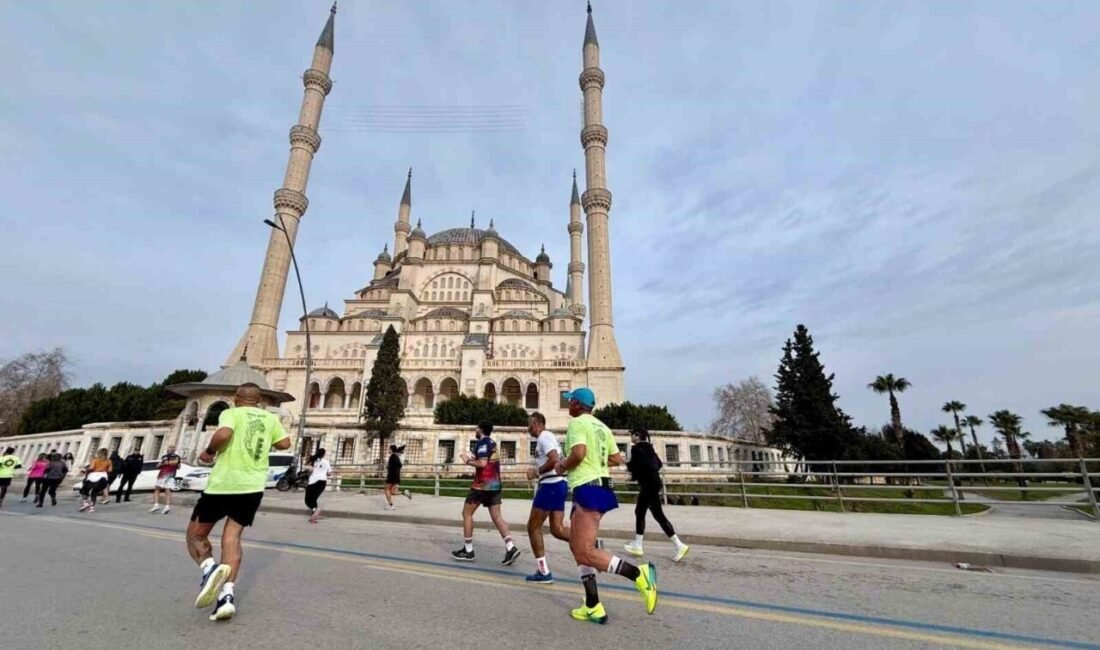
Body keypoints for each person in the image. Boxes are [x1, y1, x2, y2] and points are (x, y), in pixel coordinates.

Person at [186, 383, 291, 622]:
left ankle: (210, 569)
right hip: (252, 487)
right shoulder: (269, 418)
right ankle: (226, 598)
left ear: (236, 398)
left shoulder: (231, 413)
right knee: (232, 538)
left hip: (225, 483)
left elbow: (224, 434)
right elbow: (285, 444)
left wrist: (210, 450)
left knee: (195, 536)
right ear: (259, 400)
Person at [555, 388, 657, 624]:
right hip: (596, 487)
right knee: (576, 546)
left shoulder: (578, 423)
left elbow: (578, 453)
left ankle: (639, 574)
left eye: (570, 401)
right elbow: (615, 458)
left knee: (585, 551)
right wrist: (596, 462)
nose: (568, 404)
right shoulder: (602, 427)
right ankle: (593, 605)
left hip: (588, 488)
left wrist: (562, 465)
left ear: (579, 406)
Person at [451, 421, 521, 566]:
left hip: (481, 486)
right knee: (497, 517)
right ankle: (510, 547)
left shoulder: (482, 443)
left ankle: (468, 550)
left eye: (477, 428)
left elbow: (482, 464)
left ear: (481, 430)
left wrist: (467, 460)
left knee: (467, 514)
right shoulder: (492, 443)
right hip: (495, 485)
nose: (475, 430)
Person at [624, 429, 689, 562]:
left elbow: (634, 467)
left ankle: (638, 544)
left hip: (648, 484)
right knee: (658, 515)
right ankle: (679, 545)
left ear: (637, 436)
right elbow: (658, 464)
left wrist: (627, 463)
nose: (631, 436)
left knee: (639, 511)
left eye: (633, 434)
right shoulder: (650, 448)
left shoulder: (635, 449)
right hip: (655, 482)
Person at [523, 412, 570, 584]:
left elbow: (554, 460)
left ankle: (543, 572)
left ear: (536, 424)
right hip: (558, 484)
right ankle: (589, 543)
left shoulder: (544, 436)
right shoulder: (547, 437)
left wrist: (536, 472)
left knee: (532, 527)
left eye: (529, 424)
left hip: (551, 485)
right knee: (557, 529)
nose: (527, 428)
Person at [79, 449, 112, 513]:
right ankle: (92, 508)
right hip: (103, 477)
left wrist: (85, 470)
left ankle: (85, 503)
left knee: (84, 490)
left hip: (93, 476)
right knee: (94, 492)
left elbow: (91, 468)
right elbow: (110, 470)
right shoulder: (109, 461)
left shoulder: (95, 460)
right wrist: (103, 469)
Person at [150, 445, 181, 514]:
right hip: (168, 474)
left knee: (160, 489)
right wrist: (171, 464)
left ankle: (160, 505)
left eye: (170, 448)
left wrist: (162, 464)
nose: (169, 449)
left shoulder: (167, 456)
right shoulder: (176, 457)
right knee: (164, 489)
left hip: (166, 474)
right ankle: (163, 506)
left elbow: (164, 463)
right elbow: (178, 466)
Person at [304, 448, 330, 524]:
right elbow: (329, 473)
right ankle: (313, 516)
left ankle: (315, 510)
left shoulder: (313, 460)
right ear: (324, 454)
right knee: (314, 499)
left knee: (308, 500)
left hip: (313, 482)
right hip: (322, 482)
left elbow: (308, 469)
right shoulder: (326, 462)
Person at [384, 444, 412, 510]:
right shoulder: (397, 457)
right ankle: (404, 493)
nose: (388, 450)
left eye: (389, 449)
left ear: (391, 450)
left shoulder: (392, 456)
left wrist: (388, 468)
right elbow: (398, 466)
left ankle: (391, 505)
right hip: (396, 477)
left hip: (392, 476)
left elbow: (393, 467)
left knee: (386, 490)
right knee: (392, 492)